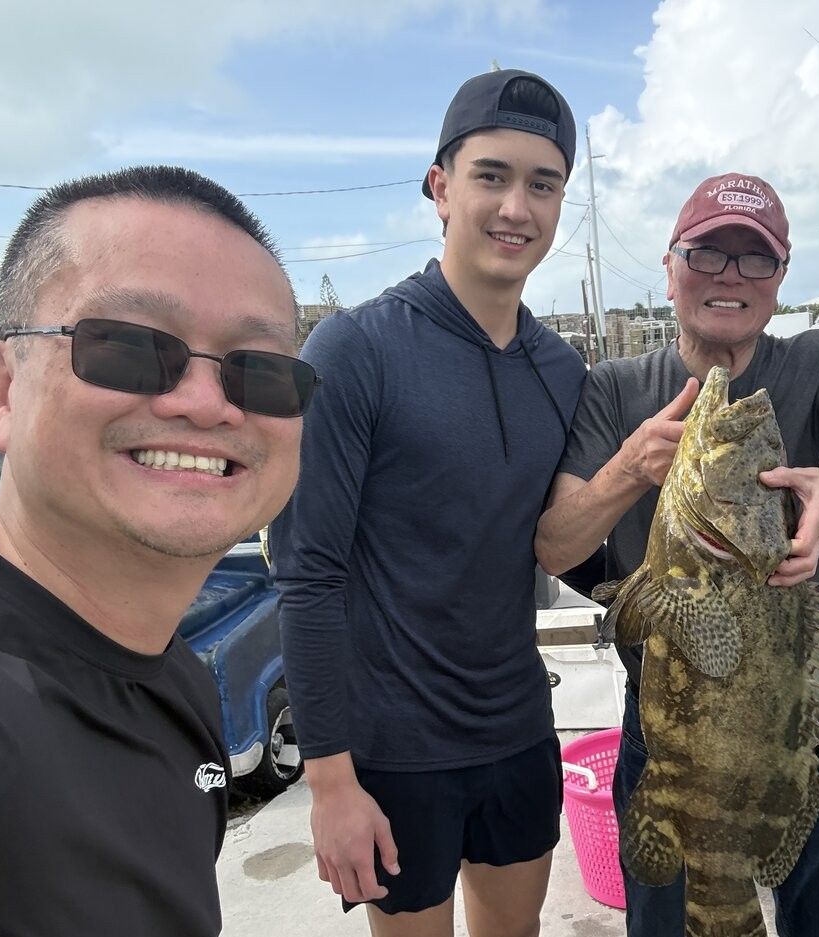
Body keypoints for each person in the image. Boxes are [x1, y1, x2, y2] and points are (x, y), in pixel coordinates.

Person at [534, 172, 819, 936]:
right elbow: (556, 544)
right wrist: (627, 470)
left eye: (754, 260)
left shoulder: (814, 362)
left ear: (781, 279)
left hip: (795, 723)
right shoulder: (614, 387)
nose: (729, 276)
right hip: (671, 730)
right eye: (708, 253)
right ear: (670, 263)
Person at [0, 165, 312, 937]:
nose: (206, 401)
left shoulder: (177, 678)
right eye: (130, 347)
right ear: (2, 391)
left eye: (258, 370)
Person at [271, 69, 587, 937]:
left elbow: (576, 544)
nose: (516, 206)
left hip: (521, 729)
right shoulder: (356, 347)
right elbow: (308, 575)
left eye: (543, 183)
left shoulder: (562, 371)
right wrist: (329, 782)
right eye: (491, 175)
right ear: (440, 188)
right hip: (393, 753)